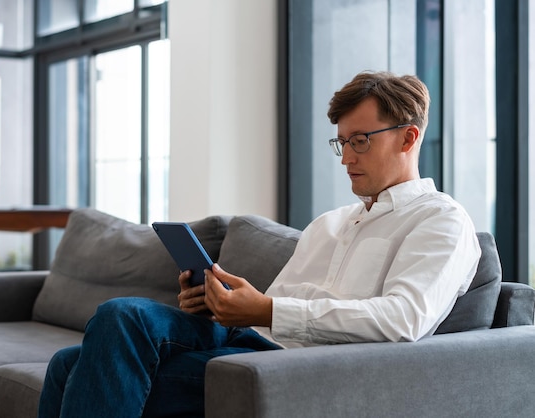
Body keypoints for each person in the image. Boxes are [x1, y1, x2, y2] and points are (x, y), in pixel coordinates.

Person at [38, 71, 481, 417]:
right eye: (341, 143)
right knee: (113, 322)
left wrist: (266, 311)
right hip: (253, 339)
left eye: (360, 141)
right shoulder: (331, 223)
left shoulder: (441, 220)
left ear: (409, 137)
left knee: (73, 366)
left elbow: (404, 318)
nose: (346, 158)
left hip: (307, 369)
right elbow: (271, 309)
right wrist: (221, 302)